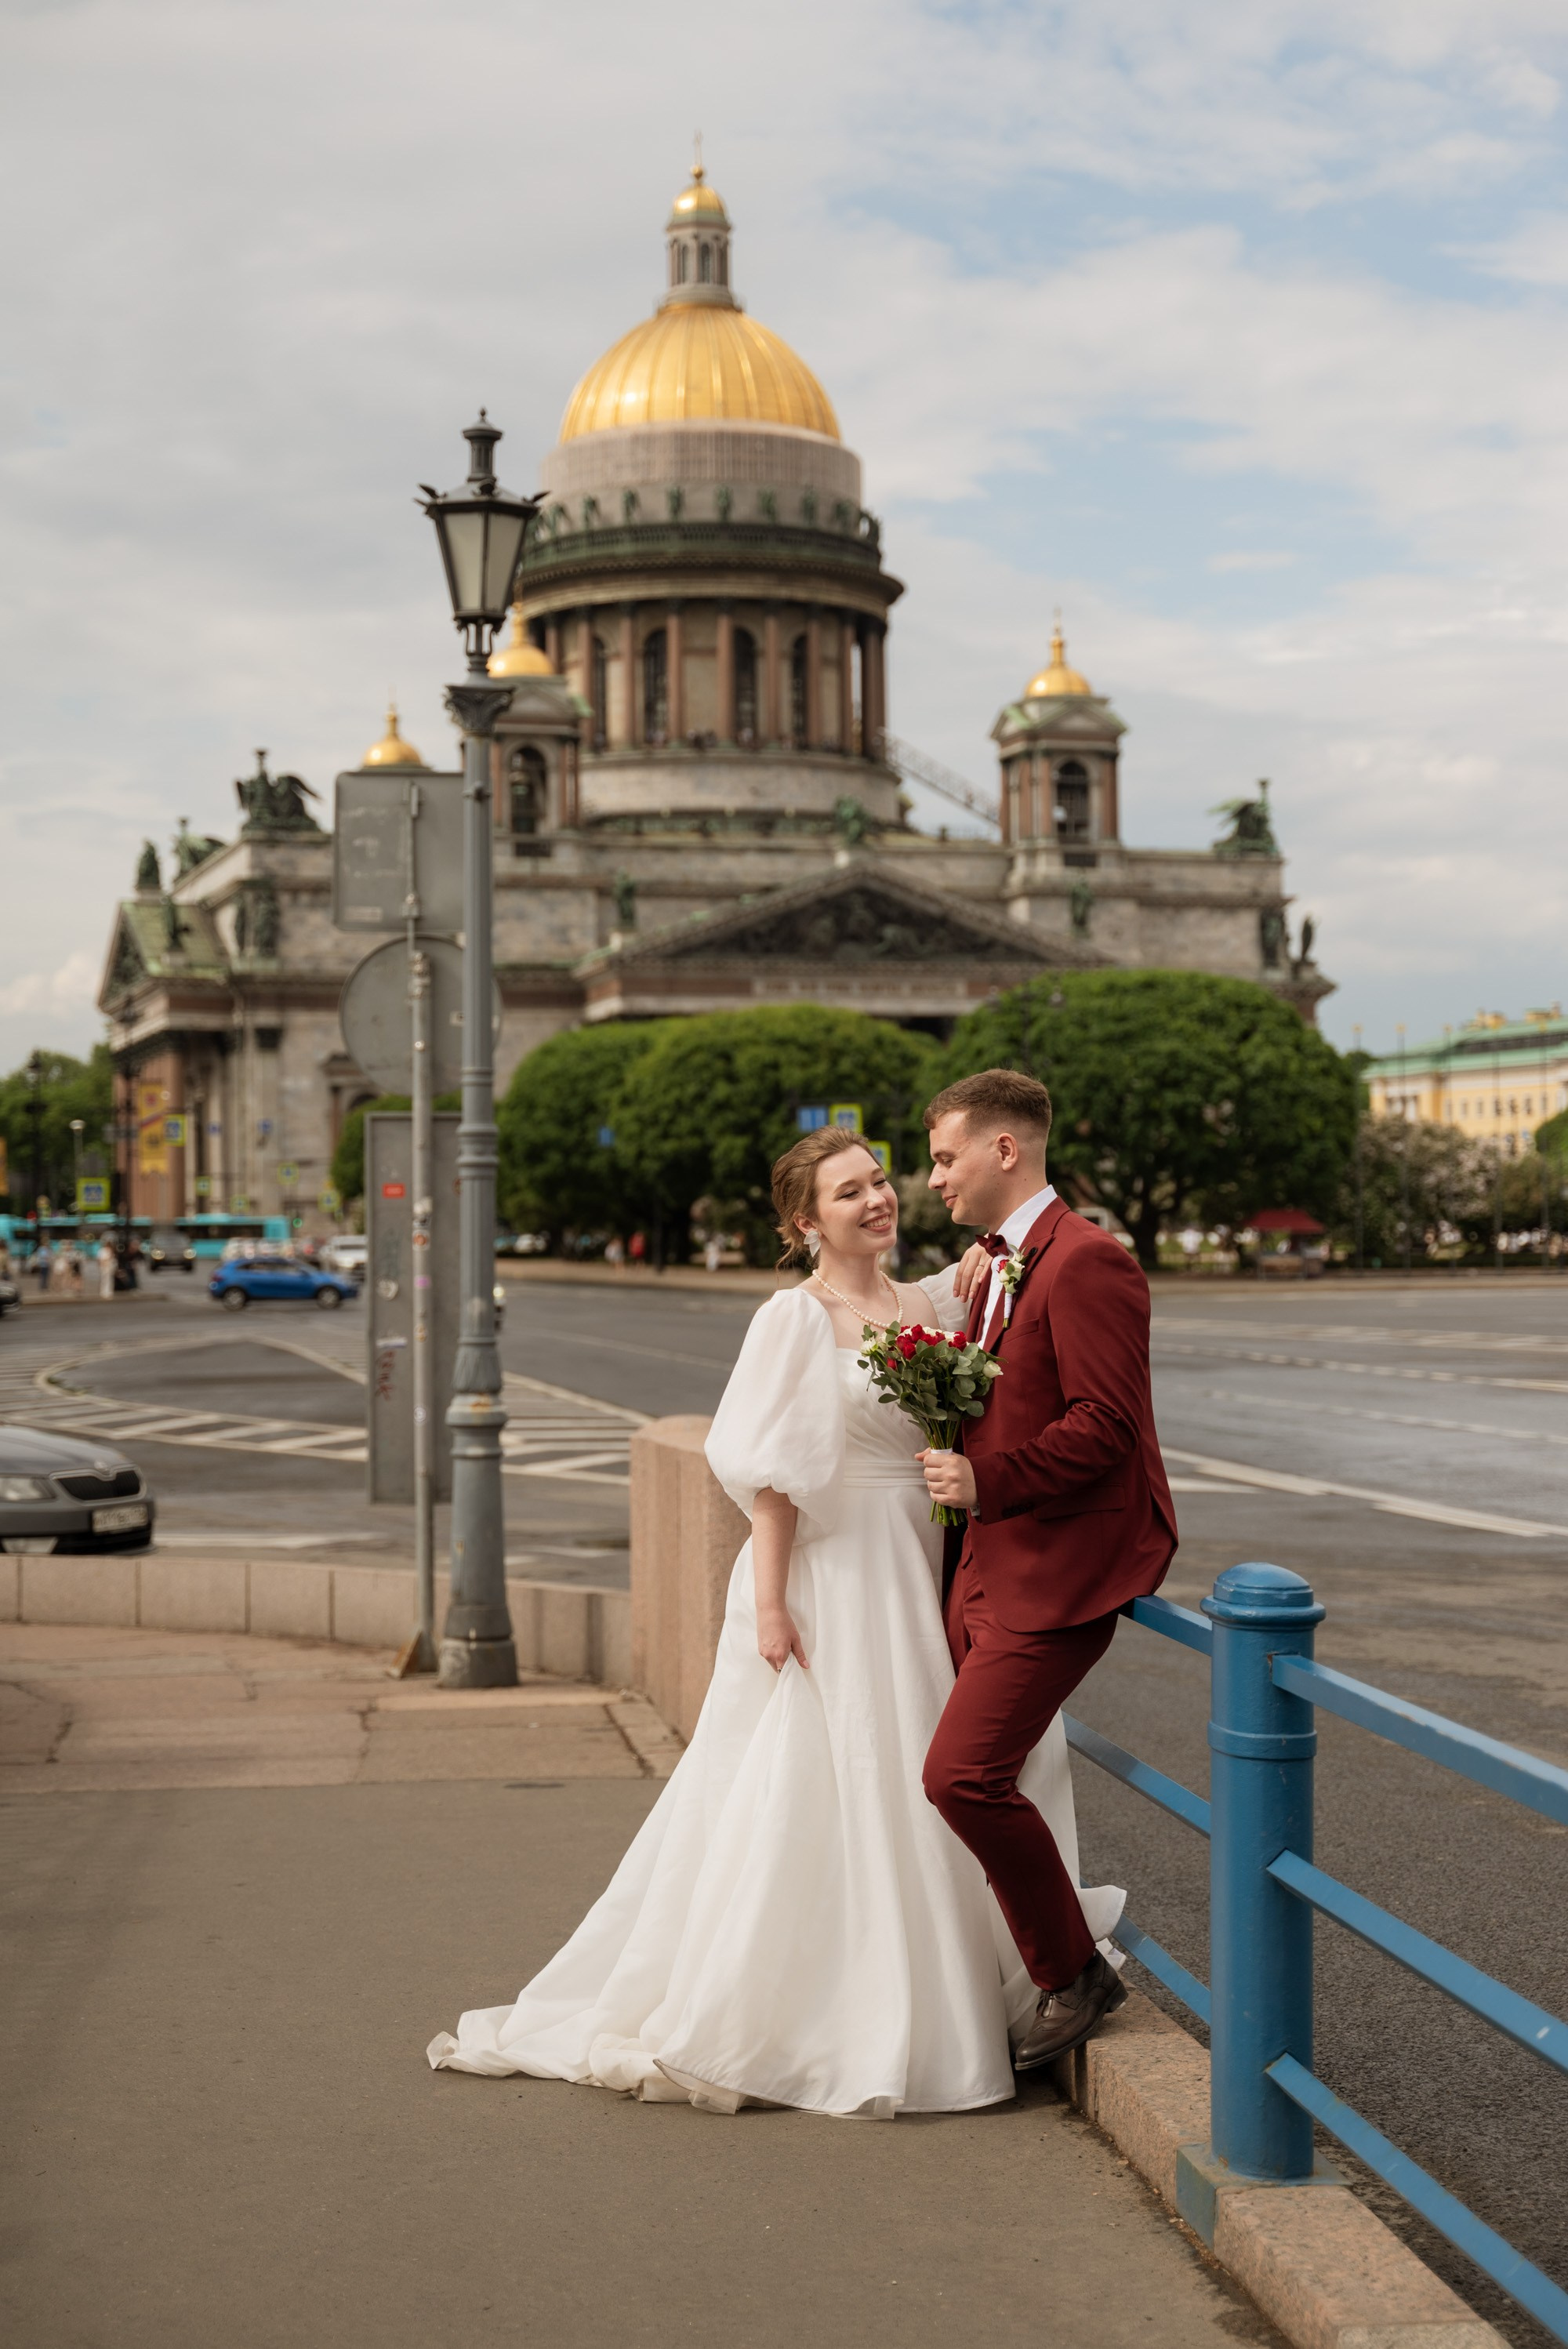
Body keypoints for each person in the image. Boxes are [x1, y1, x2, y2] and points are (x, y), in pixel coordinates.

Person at [428, 1124, 1121, 2117]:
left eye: (879, 1179)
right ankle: (843, 2005)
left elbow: (999, 1282)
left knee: (924, 1764)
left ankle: (965, 1984)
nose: (877, 1199)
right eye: (848, 1192)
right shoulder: (793, 1318)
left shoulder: (927, 1301)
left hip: (924, 1559)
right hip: (834, 1571)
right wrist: (768, 1604)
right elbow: (771, 1480)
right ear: (806, 1222)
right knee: (842, 1771)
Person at [920, 1069, 1177, 2068]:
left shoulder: (1087, 1261)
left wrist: (987, 1480)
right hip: (987, 1565)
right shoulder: (994, 1265)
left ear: (1004, 1148)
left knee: (961, 1775)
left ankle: (1072, 1970)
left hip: (1057, 1569)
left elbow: (1105, 1426)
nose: (933, 1177)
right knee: (974, 1771)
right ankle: (985, 1974)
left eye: (945, 1156)